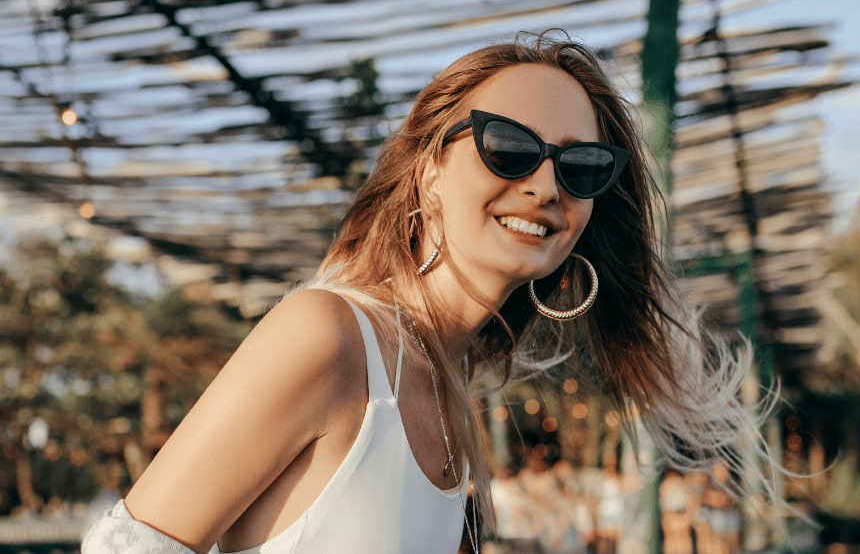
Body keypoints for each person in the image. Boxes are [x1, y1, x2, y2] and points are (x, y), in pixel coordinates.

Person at [82, 31, 765, 554]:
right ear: (431, 170)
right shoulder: (328, 335)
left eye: (581, 167)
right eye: (509, 147)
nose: (546, 185)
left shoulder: (446, 385)